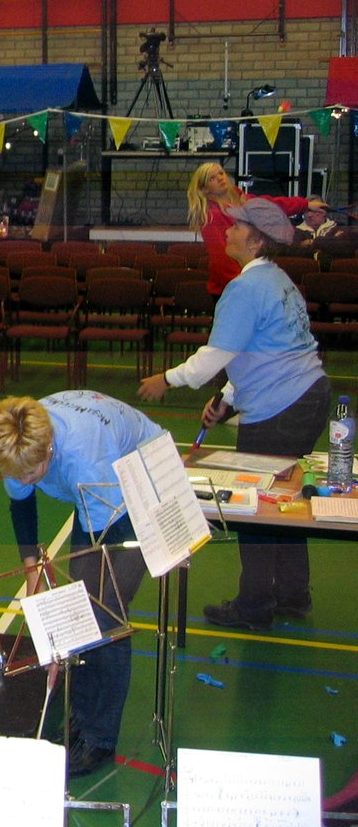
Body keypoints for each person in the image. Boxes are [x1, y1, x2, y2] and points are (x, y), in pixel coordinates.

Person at [139, 199, 330, 630]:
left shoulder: (244, 289)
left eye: (237, 227)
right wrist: (227, 399)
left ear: (256, 241)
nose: (227, 231)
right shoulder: (277, 280)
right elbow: (256, 351)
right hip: (308, 396)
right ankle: (293, 595)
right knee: (285, 500)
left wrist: (166, 379)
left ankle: (255, 606)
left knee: (258, 508)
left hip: (281, 407)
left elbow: (213, 357)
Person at [0, 390, 161, 778]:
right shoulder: (16, 447)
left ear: (49, 450)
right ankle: (79, 715)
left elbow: (100, 550)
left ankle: (99, 738)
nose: (23, 480)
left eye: (31, 475)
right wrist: (32, 572)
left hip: (142, 480)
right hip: (98, 484)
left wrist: (67, 624)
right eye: (15, 475)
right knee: (82, 612)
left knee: (104, 614)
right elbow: (21, 504)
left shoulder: (84, 460)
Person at [184, 162, 320, 295]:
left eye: (221, 173)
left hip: (250, 279)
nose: (220, 178)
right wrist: (245, 286)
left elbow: (272, 206)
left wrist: (305, 204)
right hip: (234, 287)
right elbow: (223, 258)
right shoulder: (212, 216)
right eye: (212, 178)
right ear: (205, 189)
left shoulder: (242, 200)